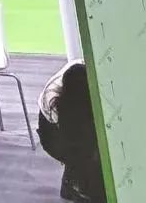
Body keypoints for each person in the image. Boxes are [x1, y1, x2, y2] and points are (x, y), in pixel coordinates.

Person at [38, 61, 103, 202]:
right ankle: (76, 185)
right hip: (51, 130)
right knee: (85, 154)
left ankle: (75, 182)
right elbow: (75, 141)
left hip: (73, 116)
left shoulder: (93, 76)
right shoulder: (54, 103)